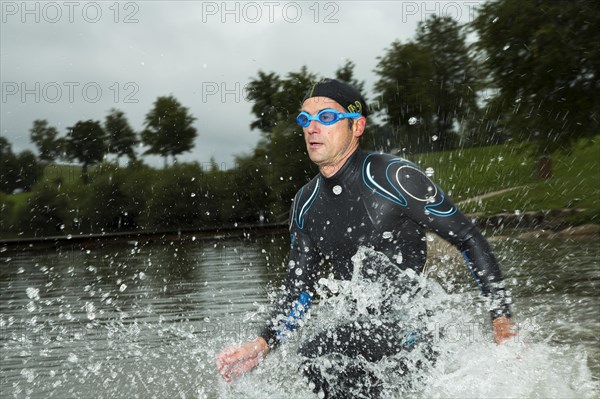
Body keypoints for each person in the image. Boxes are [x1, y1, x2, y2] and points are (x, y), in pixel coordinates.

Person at [216, 78, 517, 397]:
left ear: (356, 126)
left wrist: (501, 316)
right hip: (362, 327)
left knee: (319, 355)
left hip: (414, 327)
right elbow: (299, 289)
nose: (312, 128)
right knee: (322, 362)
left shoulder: (396, 178)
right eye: (305, 119)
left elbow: (468, 238)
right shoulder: (305, 203)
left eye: (327, 118)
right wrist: (262, 344)